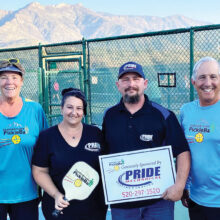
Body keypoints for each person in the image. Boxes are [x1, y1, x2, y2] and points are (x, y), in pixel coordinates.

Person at [102, 61, 190, 220]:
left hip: (159, 201)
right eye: (125, 79)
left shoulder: (163, 115)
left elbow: (182, 151)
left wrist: (179, 185)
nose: (131, 84)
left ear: (145, 83)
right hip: (122, 202)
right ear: (118, 85)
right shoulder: (109, 116)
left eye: (136, 78)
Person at [32, 88, 107, 220]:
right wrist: (56, 195)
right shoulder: (47, 137)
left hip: (94, 209)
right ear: (61, 109)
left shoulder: (96, 134)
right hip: (58, 210)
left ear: (83, 112)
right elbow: (39, 171)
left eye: (79, 108)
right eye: (69, 107)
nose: (74, 112)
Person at [0, 59, 48, 220]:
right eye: (3, 77)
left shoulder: (35, 110)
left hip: (26, 194)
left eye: (14, 77)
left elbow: (45, 149)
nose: (9, 82)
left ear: (21, 81)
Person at [180, 56, 220, 220]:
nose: (208, 83)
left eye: (213, 76)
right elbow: (184, 151)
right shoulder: (186, 111)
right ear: (193, 82)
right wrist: (184, 185)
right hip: (196, 199)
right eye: (202, 77)